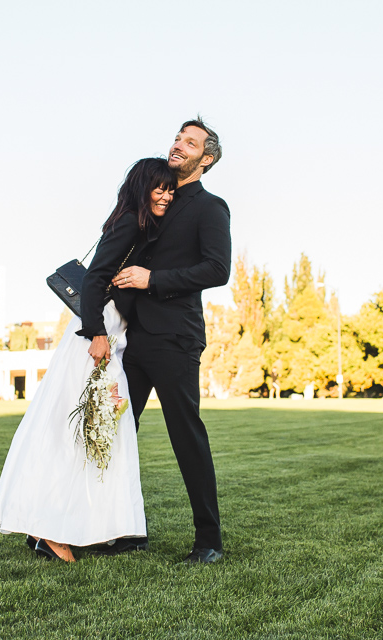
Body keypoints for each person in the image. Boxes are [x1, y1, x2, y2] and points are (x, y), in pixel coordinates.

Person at [0, 158, 178, 562]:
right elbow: (94, 279)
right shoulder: (129, 222)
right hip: (97, 334)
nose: (166, 195)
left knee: (100, 428)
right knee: (82, 429)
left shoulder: (137, 225)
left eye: (171, 189)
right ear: (143, 188)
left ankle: (70, 526)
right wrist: (95, 333)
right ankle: (51, 531)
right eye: (159, 188)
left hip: (109, 332)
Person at [91, 117, 231, 564]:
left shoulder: (211, 208)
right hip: (133, 340)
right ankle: (128, 532)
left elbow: (217, 270)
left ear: (205, 159)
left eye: (190, 143)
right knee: (115, 434)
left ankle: (209, 541)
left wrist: (153, 279)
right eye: (177, 137)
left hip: (175, 338)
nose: (179, 145)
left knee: (185, 435)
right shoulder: (155, 198)